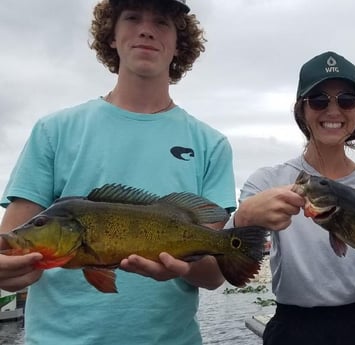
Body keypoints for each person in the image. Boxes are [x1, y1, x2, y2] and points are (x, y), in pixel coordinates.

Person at [0, 0, 235, 344]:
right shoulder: (54, 131)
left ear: (178, 42)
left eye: (162, 22)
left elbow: (214, 275)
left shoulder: (210, 145)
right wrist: (10, 273)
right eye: (132, 16)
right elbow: (10, 250)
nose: (146, 29)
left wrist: (183, 266)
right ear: (111, 33)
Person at [230, 51, 355, 345]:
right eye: (319, 100)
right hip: (292, 328)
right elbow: (232, 260)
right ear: (302, 110)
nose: (333, 110)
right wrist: (242, 218)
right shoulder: (266, 182)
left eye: (346, 99)